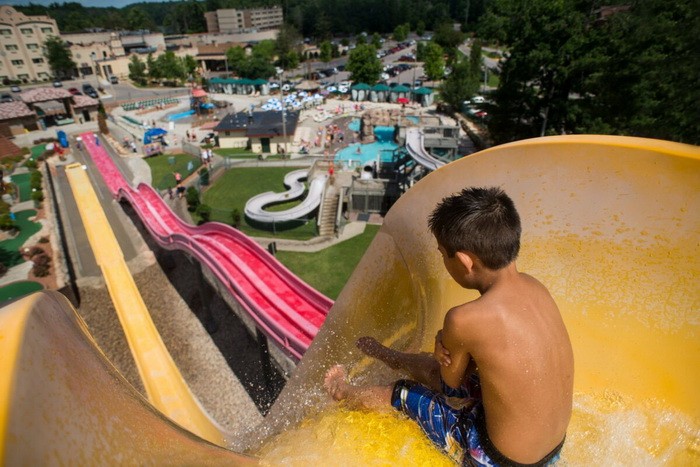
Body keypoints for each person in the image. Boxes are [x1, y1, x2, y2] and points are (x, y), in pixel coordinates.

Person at [324, 187, 574, 466]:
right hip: (551, 450)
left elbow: (449, 386)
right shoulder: (536, 287)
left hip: (497, 460)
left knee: (404, 392)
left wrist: (444, 341)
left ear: (465, 261)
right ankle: (390, 356)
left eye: (443, 254)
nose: (443, 261)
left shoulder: (464, 318)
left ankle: (342, 391)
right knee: (462, 370)